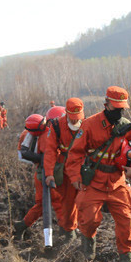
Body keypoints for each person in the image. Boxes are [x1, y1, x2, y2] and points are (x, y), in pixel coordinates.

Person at [65, 86, 131, 262]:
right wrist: (75, 177)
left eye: (122, 108)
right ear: (106, 105)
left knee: (126, 221)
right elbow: (75, 153)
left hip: (117, 182)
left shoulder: (127, 126)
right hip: (94, 182)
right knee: (88, 219)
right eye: (116, 108)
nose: (119, 112)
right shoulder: (89, 124)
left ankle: (126, 260)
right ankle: (88, 248)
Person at [14, 108, 65, 240]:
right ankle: (66, 232)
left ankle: (21, 226)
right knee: (58, 202)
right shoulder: (47, 137)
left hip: (49, 172)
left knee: (43, 204)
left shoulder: (48, 133)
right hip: (47, 173)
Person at [41, 97, 86, 241]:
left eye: (77, 118)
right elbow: (50, 151)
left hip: (82, 167)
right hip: (66, 170)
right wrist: (49, 174)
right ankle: (69, 230)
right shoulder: (57, 126)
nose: (74, 121)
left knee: (86, 201)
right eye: (71, 118)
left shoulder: (88, 125)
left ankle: (82, 230)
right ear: (66, 113)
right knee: (68, 202)